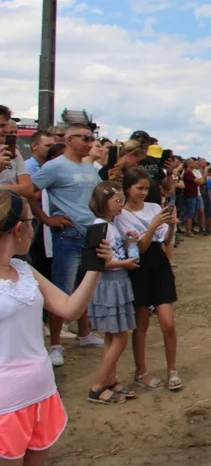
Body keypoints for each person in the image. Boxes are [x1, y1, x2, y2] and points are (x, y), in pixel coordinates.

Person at [0, 189, 111, 463]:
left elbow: (70, 308)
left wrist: (96, 266)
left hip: (41, 391)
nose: (34, 230)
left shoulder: (24, 269)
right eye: (32, 222)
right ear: (18, 229)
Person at [30, 123, 105, 367]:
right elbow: (30, 192)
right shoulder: (55, 167)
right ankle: (55, 344)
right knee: (61, 290)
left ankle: (84, 334)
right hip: (68, 235)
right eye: (84, 138)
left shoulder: (91, 170)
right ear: (70, 140)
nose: (89, 142)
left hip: (91, 233)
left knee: (85, 287)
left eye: (91, 138)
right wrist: (46, 218)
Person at [114, 168, 180, 391]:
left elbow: (166, 241)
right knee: (141, 321)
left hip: (159, 264)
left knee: (168, 323)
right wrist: (153, 225)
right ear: (127, 189)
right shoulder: (120, 215)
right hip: (139, 266)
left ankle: (172, 370)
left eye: (145, 188)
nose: (142, 193)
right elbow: (139, 248)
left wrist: (171, 225)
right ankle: (140, 371)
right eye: (138, 188)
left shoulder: (154, 207)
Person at [86, 182, 139, 405]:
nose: (121, 205)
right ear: (102, 203)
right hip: (110, 284)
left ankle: (110, 379)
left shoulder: (110, 224)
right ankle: (98, 386)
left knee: (112, 335)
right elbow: (97, 263)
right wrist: (124, 263)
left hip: (117, 282)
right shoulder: (99, 227)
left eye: (121, 201)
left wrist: (129, 243)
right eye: (116, 201)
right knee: (120, 337)